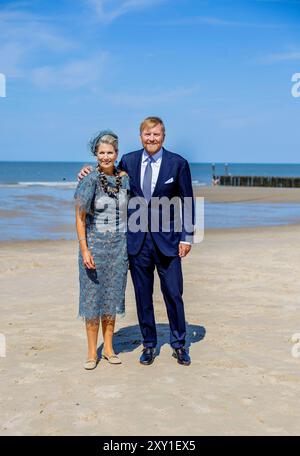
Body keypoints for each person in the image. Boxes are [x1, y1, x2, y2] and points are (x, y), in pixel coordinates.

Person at [78, 117, 194, 366]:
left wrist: (187, 237)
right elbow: (107, 173)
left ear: (164, 136)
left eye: (156, 135)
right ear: (141, 136)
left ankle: (179, 344)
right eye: (147, 135)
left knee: (173, 293)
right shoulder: (128, 162)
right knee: (143, 296)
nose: (152, 139)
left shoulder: (178, 164)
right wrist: (87, 170)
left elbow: (188, 202)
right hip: (137, 242)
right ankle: (149, 345)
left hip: (169, 242)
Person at [75, 130, 129, 370]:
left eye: (110, 152)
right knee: (92, 301)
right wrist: (85, 250)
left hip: (119, 248)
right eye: (102, 153)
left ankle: (108, 348)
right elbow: (79, 217)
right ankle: (91, 353)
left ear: (117, 154)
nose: (106, 156)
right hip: (94, 249)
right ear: (95, 155)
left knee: (112, 299)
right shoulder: (89, 180)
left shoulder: (124, 179)